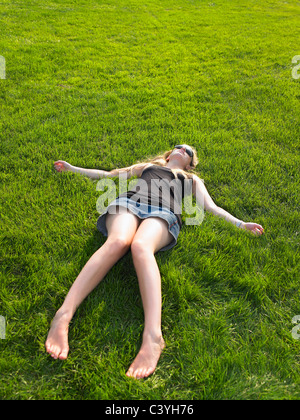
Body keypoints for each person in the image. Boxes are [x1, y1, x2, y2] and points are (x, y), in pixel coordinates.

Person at [45, 145, 264, 379]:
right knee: (117, 241)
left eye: (187, 151)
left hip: (163, 212)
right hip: (128, 204)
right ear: (169, 155)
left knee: (141, 247)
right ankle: (63, 315)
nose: (182, 149)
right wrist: (71, 168)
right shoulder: (147, 167)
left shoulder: (191, 180)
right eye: (178, 147)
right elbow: (110, 175)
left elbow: (211, 208)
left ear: (190, 163)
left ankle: (153, 337)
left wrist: (241, 224)